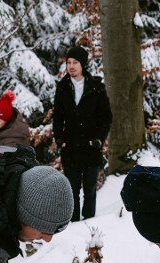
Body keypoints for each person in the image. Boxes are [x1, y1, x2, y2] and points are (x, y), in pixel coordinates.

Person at [52, 45, 112, 222]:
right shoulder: (62, 87)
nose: (71, 66)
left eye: (75, 62)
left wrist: (98, 139)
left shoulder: (96, 87)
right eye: (68, 62)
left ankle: (89, 223)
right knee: (72, 189)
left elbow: (106, 116)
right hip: (70, 146)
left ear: (83, 64)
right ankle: (73, 223)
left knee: (89, 189)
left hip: (90, 146)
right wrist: (60, 138)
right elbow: (57, 116)